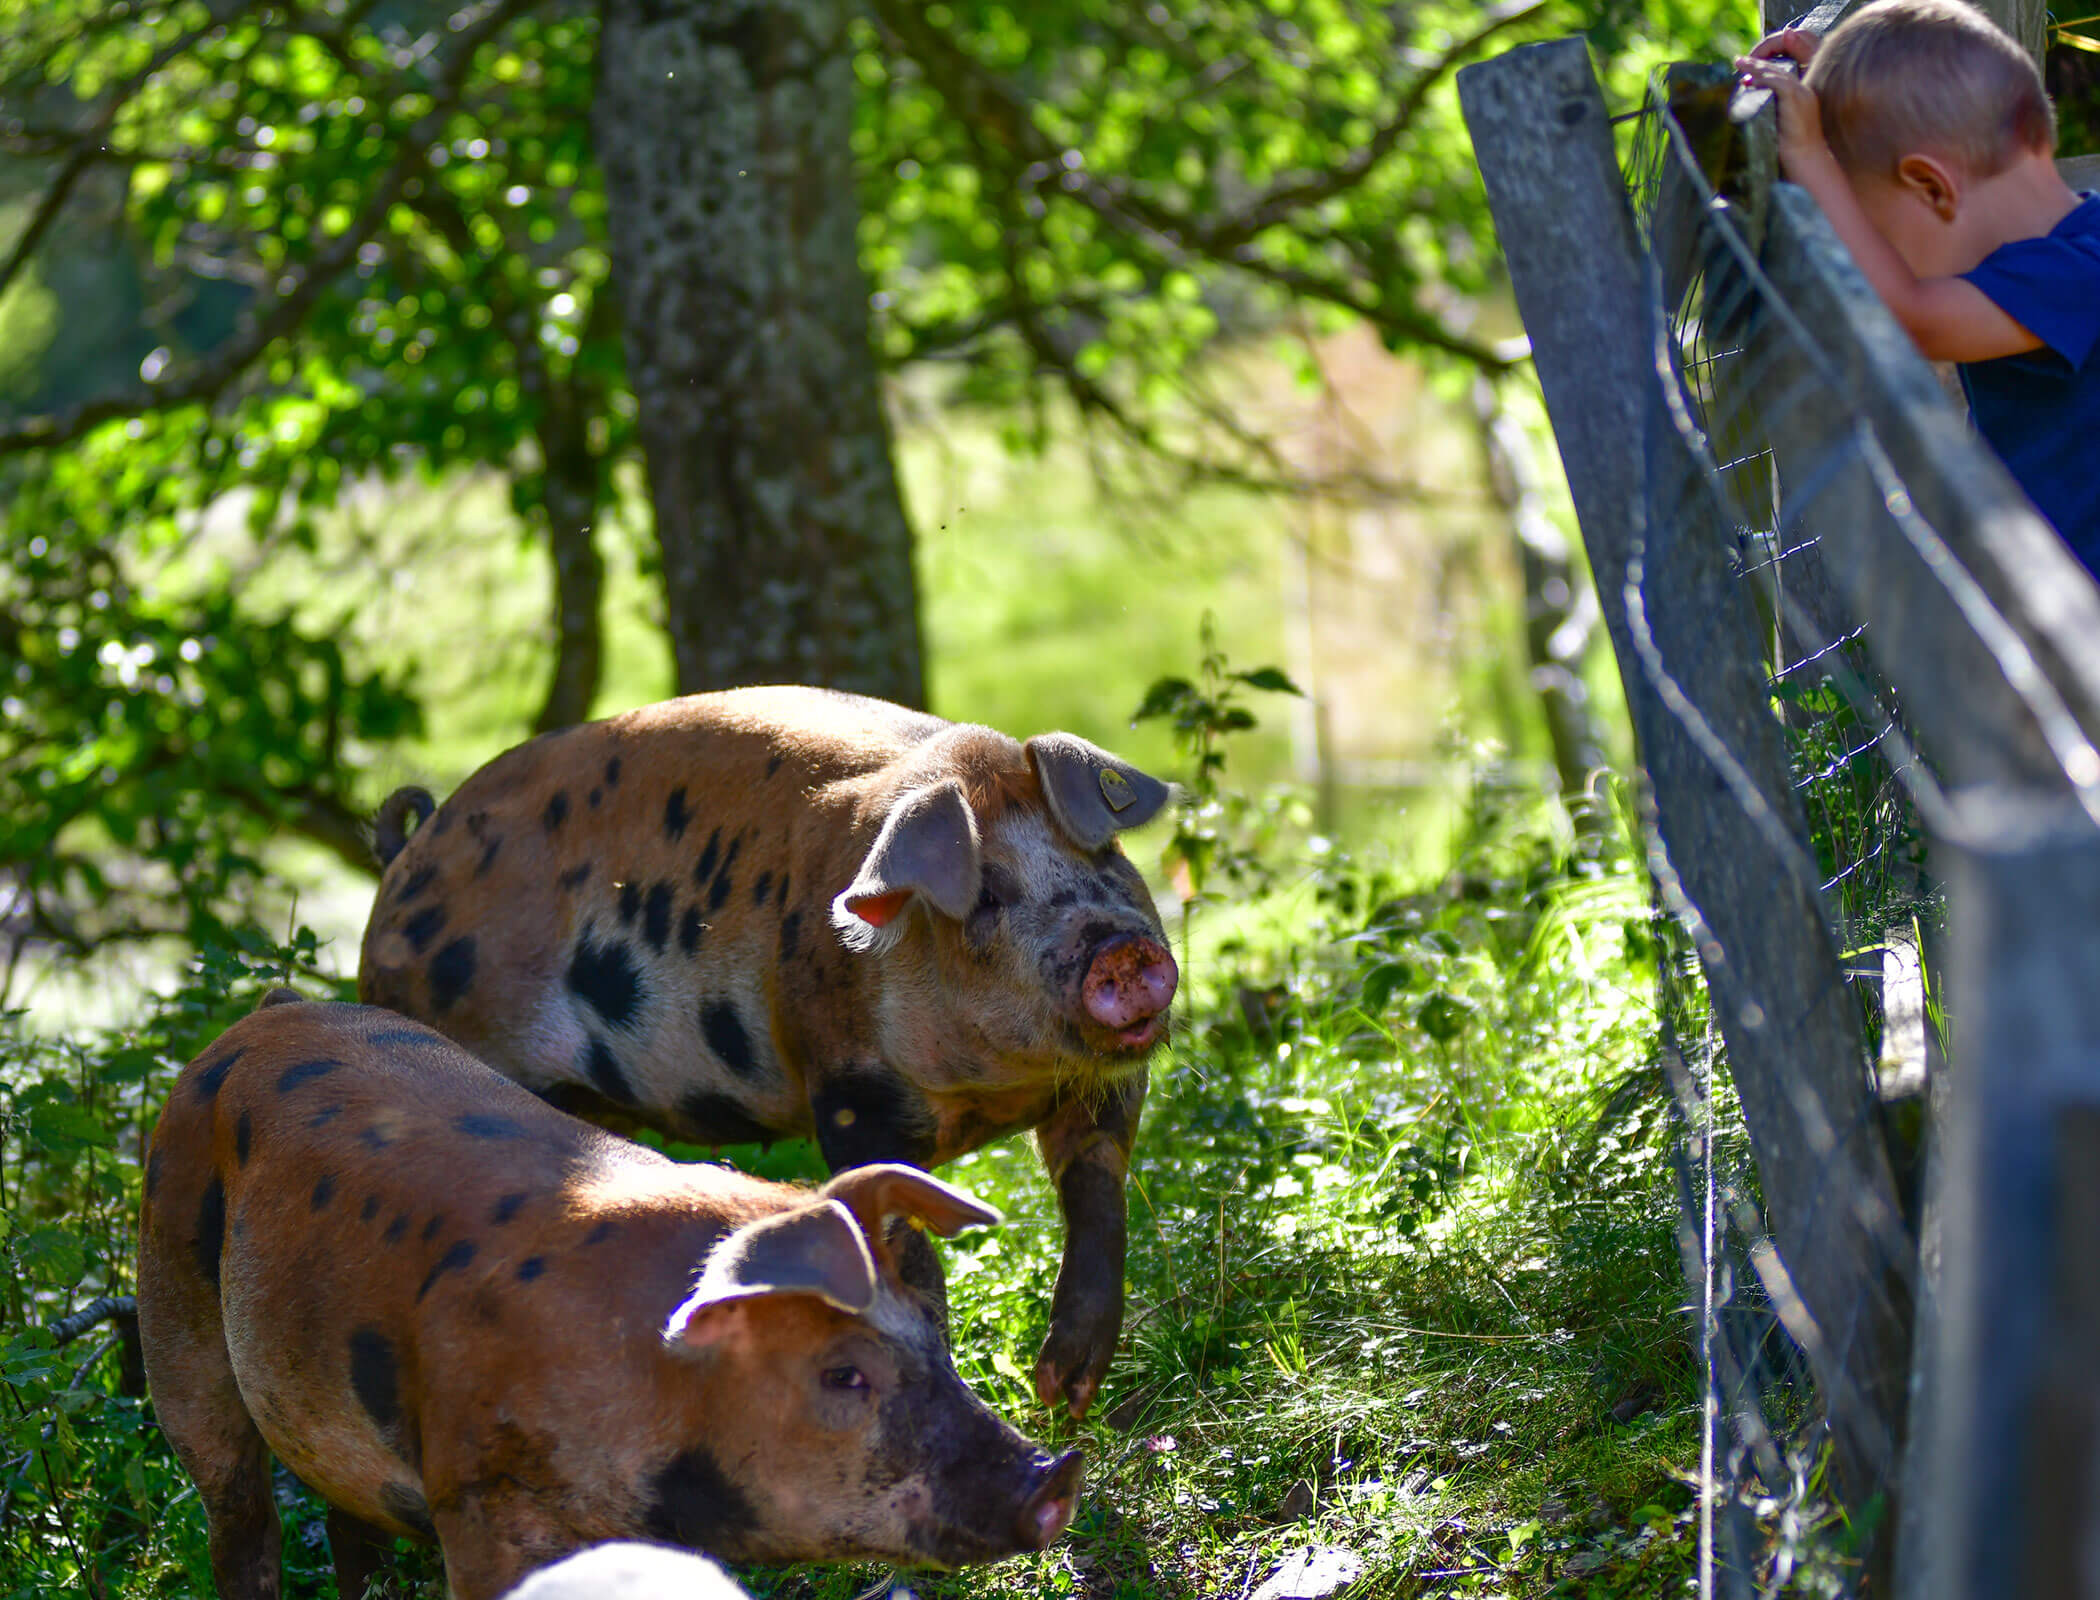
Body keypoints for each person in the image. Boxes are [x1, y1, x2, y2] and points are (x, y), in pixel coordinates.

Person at [1737, 0, 2100, 577]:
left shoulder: (2077, 276)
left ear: (1932, 187)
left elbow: (1909, 319)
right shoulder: (2076, 246)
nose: (1876, 259)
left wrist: (1809, 156)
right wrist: (1845, 94)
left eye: (1877, 235)